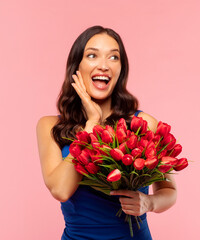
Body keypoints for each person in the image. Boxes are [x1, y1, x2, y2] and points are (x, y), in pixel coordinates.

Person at [36, 25, 177, 240]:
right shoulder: (50, 126)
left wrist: (149, 202)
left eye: (113, 58)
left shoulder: (144, 124)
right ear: (77, 66)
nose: (103, 66)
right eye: (92, 55)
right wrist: (91, 125)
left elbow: (170, 192)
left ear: (121, 69)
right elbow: (61, 190)